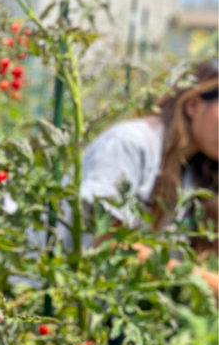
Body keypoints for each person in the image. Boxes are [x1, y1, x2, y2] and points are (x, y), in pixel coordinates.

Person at [77, 59, 218, 293]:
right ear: (193, 105)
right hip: (50, 307)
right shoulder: (129, 144)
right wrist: (209, 284)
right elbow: (110, 245)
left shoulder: (197, 172)